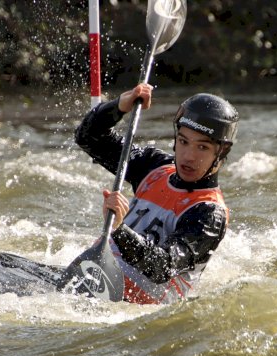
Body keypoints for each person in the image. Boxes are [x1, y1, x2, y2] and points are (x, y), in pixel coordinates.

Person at [74, 83, 239, 304]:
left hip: (133, 307)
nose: (188, 156)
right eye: (183, 141)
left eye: (202, 147)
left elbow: (163, 267)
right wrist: (120, 107)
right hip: (93, 278)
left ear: (222, 152)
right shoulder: (154, 166)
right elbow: (89, 137)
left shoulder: (209, 214)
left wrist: (120, 230)